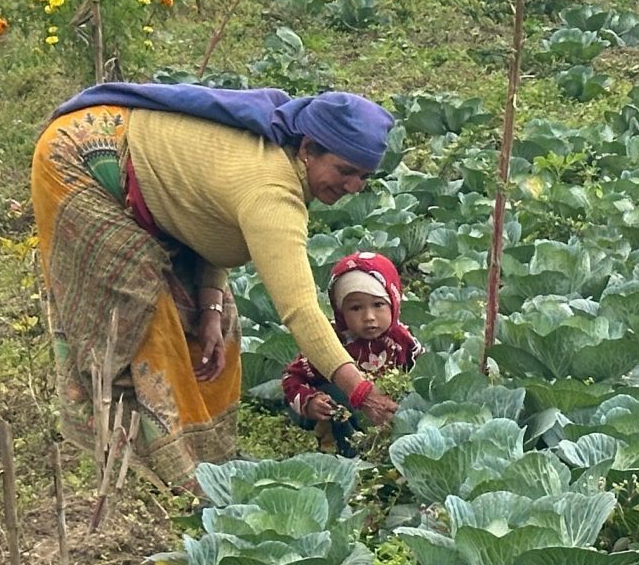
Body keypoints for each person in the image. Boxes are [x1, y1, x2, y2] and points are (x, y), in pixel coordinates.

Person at [31, 80, 402, 486]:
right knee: (141, 310)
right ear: (308, 149)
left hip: (150, 183)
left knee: (219, 323)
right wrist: (361, 393)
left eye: (363, 176)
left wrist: (209, 307)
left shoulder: (287, 166)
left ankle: (211, 458)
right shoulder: (271, 191)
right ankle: (150, 464)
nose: (353, 187)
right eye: (344, 170)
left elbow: (207, 217)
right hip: (81, 157)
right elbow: (300, 311)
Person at [282, 252, 422, 447]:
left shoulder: (402, 340)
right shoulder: (330, 341)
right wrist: (310, 401)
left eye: (378, 304)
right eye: (356, 308)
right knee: (337, 400)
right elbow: (292, 378)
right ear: (340, 311)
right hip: (340, 415)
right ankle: (344, 450)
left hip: (381, 414)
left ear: (394, 302)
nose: (369, 316)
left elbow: (421, 373)